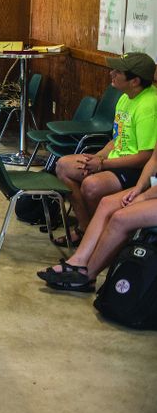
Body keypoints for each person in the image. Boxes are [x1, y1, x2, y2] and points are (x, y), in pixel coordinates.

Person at [54, 52, 157, 245]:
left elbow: (146, 156)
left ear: (134, 80)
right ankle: (86, 229)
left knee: (92, 185)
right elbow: (117, 138)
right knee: (63, 165)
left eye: (118, 71)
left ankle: (104, 239)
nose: (112, 73)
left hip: (136, 169)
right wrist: (96, 157)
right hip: (114, 160)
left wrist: (102, 164)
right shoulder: (126, 97)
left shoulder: (149, 106)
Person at [39, 145, 157, 291]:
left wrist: (144, 196)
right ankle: (78, 261)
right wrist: (138, 189)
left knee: (120, 218)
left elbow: (146, 155)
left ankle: (88, 275)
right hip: (152, 189)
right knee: (106, 203)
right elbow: (154, 160)